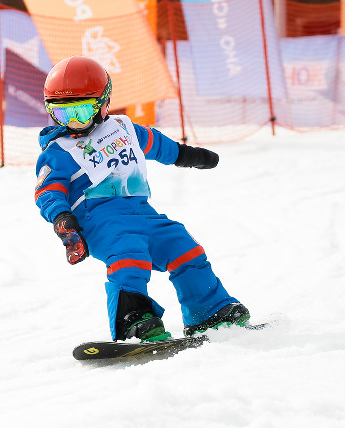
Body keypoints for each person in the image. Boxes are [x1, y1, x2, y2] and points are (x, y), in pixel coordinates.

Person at [34, 56, 250, 343]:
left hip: (142, 213)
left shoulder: (122, 129)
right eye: (62, 114)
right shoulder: (58, 151)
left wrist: (188, 156)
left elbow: (156, 143)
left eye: (82, 111)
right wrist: (62, 217)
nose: (73, 122)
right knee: (129, 253)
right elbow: (47, 191)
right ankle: (134, 320)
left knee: (181, 244)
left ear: (103, 104)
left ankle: (208, 312)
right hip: (99, 222)